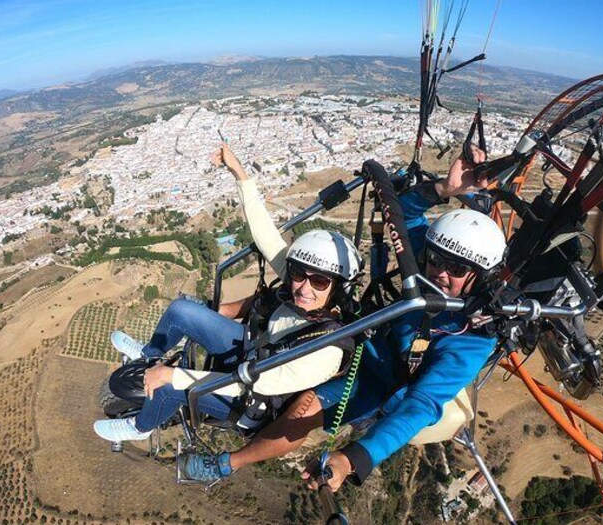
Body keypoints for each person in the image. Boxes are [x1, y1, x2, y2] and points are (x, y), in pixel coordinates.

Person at [181, 147, 505, 489]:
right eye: (435, 259)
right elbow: (403, 214)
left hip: (376, 377)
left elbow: (421, 404)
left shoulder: (471, 337)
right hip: (357, 331)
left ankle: (225, 464)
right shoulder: (427, 263)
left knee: (302, 411)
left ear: (481, 277)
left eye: (456, 268)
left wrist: (354, 458)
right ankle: (203, 328)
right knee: (279, 298)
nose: (439, 272)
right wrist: (445, 189)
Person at [92, 142, 363, 482]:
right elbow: (266, 236)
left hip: (251, 401)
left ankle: (141, 425)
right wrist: (240, 173)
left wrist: (171, 376)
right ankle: (149, 354)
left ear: (339, 287)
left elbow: (254, 382)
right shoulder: (304, 291)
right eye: (298, 274)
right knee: (182, 311)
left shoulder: (327, 350)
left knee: (170, 387)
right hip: (250, 349)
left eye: (319, 281)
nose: (303, 288)